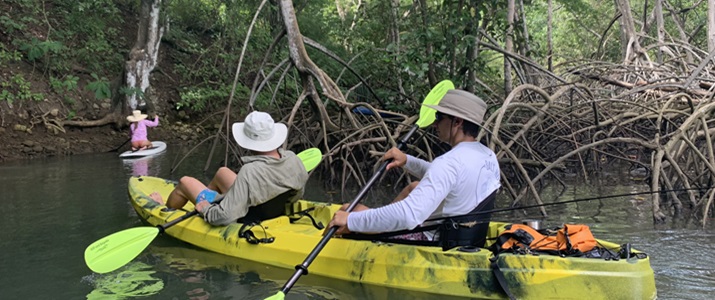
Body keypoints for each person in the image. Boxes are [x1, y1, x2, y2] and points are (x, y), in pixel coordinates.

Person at [327, 89, 501, 243]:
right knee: (414, 187)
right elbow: (452, 180)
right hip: (467, 238)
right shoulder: (487, 155)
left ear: (457, 122)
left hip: (433, 241)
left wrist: (351, 220)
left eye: (439, 117)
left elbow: (409, 215)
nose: (434, 123)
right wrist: (407, 160)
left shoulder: (449, 162)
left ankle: (327, 242)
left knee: (347, 210)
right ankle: (377, 222)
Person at [149, 111, 309, 226]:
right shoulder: (292, 159)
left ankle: (165, 209)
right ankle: (209, 199)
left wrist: (207, 210)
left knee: (185, 182)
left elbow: (225, 216)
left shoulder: (250, 171)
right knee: (222, 172)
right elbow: (296, 194)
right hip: (269, 209)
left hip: (248, 216)